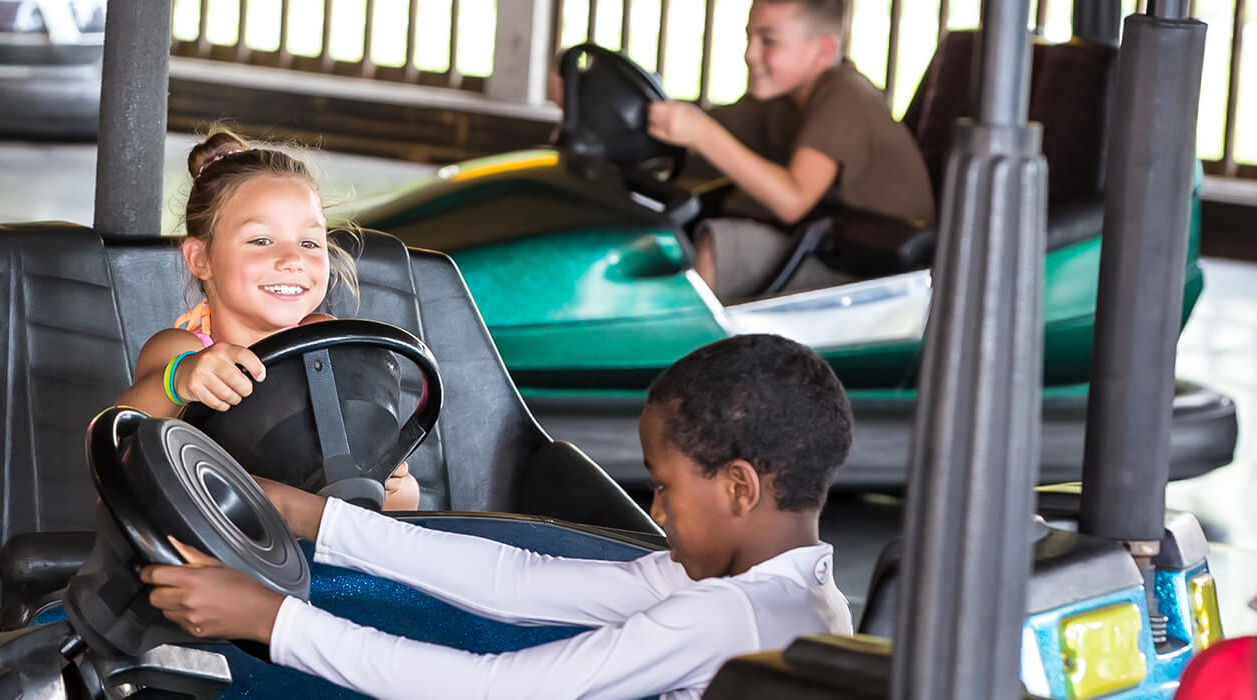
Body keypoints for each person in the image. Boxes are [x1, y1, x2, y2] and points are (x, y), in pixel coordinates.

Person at [140, 334, 855, 699]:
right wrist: (315, 519)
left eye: (665, 487)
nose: (656, 509)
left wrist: (272, 622)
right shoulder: (790, 595)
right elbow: (517, 582)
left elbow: (497, 690)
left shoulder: (728, 616)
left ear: (738, 488)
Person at [115, 126, 419, 510]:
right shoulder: (188, 350)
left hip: (324, 550)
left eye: (309, 243)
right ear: (200, 259)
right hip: (224, 550)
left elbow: (399, 506)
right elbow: (120, 433)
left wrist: (395, 483)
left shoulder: (327, 344)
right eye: (261, 240)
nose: (293, 260)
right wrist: (182, 380)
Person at [645, 0, 934, 300]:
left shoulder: (846, 97)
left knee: (730, 247)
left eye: (768, 41)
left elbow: (792, 199)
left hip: (880, 271)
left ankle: (674, 344)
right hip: (824, 244)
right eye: (749, 37)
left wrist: (702, 134)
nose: (750, 54)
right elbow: (709, 128)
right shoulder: (781, 102)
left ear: (822, 51)